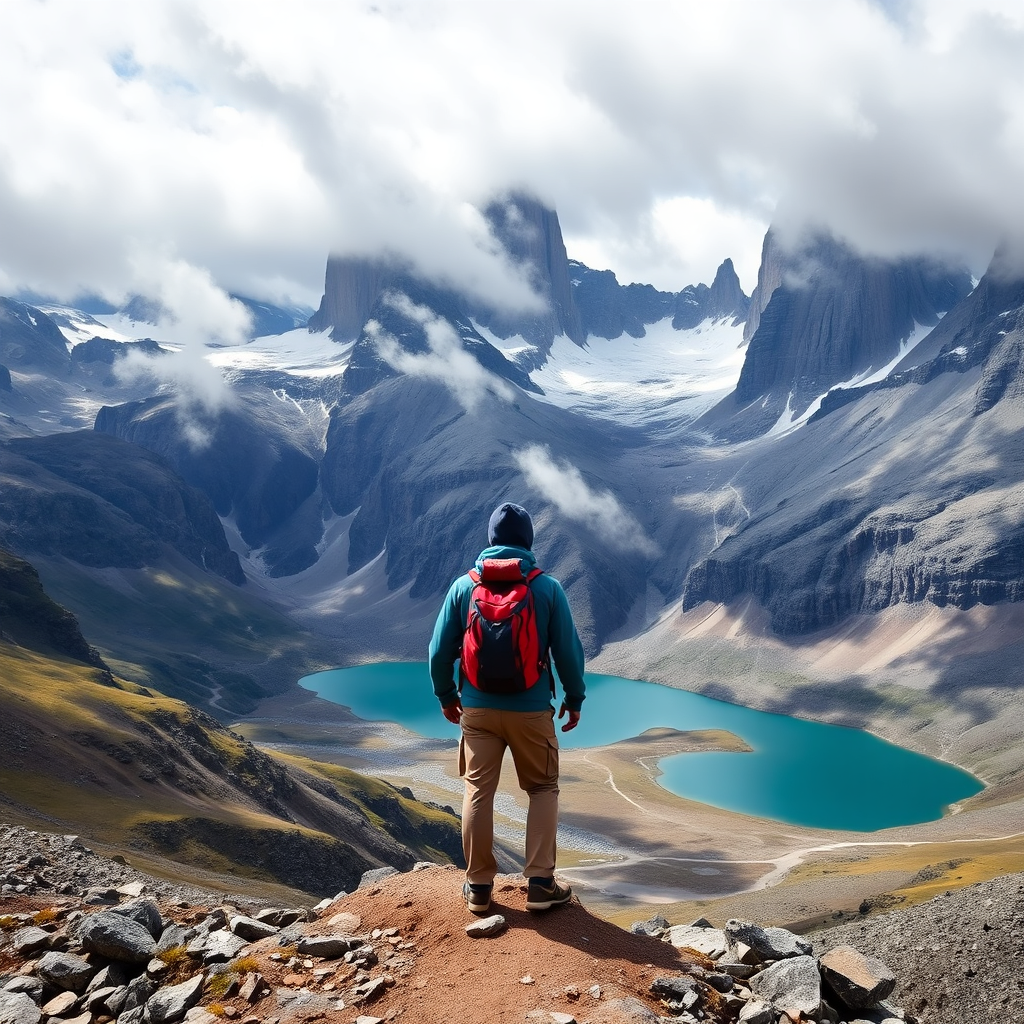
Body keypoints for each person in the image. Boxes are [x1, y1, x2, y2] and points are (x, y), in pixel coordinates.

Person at [428, 502, 586, 914]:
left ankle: (478, 887)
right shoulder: (547, 588)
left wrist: (447, 696)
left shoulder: (464, 587)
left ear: (491, 540)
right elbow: (569, 652)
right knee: (542, 788)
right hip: (532, 711)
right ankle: (540, 884)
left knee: (478, 789)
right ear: (529, 542)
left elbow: (438, 651)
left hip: (476, 711)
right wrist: (573, 699)